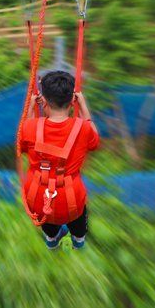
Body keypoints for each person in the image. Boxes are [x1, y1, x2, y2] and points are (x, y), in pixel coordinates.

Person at [19, 70, 99, 250]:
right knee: (78, 220)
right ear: (72, 101)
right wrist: (84, 107)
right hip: (71, 199)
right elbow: (94, 142)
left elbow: (24, 144)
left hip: (38, 196)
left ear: (44, 102)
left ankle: (52, 240)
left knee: (47, 220)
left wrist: (31, 108)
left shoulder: (29, 127)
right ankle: (78, 241)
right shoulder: (83, 129)